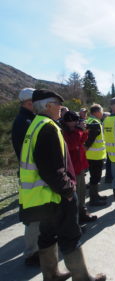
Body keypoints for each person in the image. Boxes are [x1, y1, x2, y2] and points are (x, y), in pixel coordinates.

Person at [19, 89, 105, 281]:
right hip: (55, 195)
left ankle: (52, 275)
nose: (61, 108)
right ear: (47, 106)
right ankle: (82, 277)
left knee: (47, 235)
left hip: (41, 196)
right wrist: (67, 190)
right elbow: (52, 168)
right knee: (70, 235)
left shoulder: (35, 125)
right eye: (57, 104)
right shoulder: (48, 127)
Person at [11, 88, 40, 266]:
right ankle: (31, 253)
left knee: (36, 213)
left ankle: (35, 249)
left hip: (29, 171)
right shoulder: (25, 121)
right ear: (29, 102)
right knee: (33, 214)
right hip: (30, 173)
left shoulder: (26, 119)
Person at [62, 111, 97, 223]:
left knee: (82, 193)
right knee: (75, 195)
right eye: (76, 121)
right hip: (73, 168)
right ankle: (76, 219)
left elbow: (80, 142)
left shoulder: (75, 130)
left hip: (80, 165)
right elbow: (72, 145)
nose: (78, 123)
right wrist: (80, 130)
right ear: (69, 122)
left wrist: (85, 132)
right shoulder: (64, 132)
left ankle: (82, 214)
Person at [85, 104, 108, 206]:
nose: (102, 113)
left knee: (94, 176)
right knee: (95, 177)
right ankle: (93, 200)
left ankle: (95, 195)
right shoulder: (95, 123)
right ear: (97, 112)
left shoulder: (89, 120)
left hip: (91, 155)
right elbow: (90, 140)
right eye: (102, 111)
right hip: (95, 155)